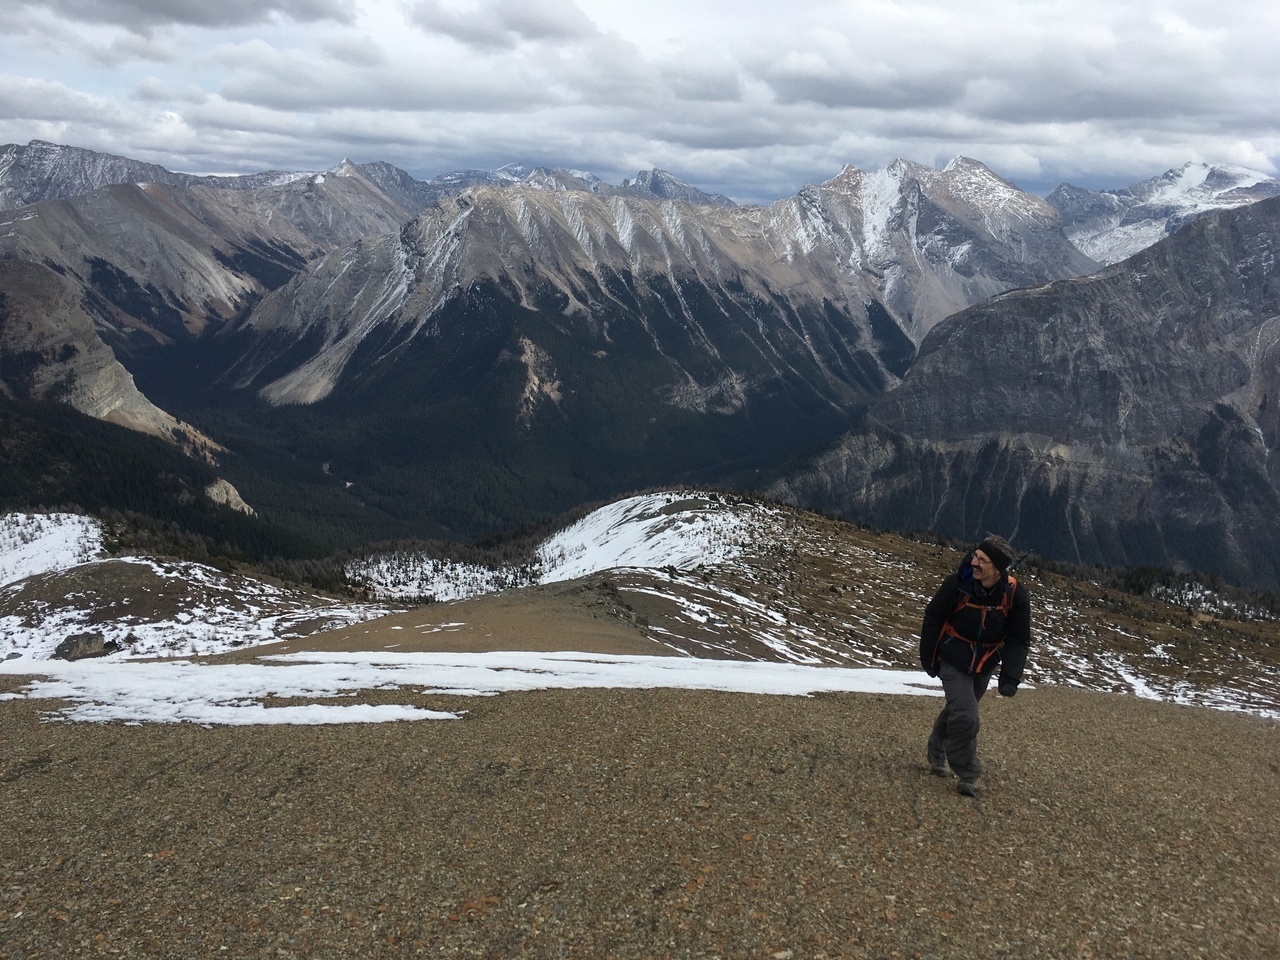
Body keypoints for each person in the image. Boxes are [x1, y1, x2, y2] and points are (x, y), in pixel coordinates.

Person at [919, 535, 1030, 797]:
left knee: (959, 710)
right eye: (975, 556)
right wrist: (929, 658)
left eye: (982, 560)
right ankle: (968, 771)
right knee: (967, 715)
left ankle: (937, 747)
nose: (974, 562)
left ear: (998, 569)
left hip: (984, 663)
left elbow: (1018, 639)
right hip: (953, 657)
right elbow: (933, 617)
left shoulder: (1015, 594)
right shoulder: (958, 584)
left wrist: (1010, 678)